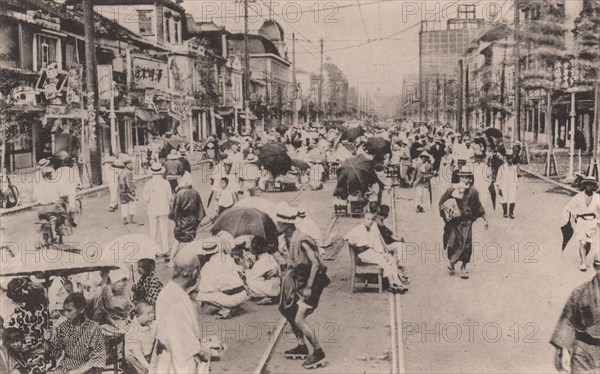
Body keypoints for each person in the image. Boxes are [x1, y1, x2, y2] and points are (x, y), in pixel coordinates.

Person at [275, 202, 329, 369]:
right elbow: (295, 262)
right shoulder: (287, 238)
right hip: (300, 281)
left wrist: (309, 287)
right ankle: (301, 345)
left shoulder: (302, 239)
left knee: (299, 319)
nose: (276, 225)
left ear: (286, 224)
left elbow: (315, 264)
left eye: (278, 223)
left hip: (312, 283)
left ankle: (318, 351)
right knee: (287, 310)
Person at [151, 249, 211, 373]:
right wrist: (204, 353)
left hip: (166, 359)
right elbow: (185, 342)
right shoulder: (178, 302)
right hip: (180, 364)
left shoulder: (167, 291)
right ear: (194, 273)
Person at [550, 254, 600, 373]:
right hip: (583, 351)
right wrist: (565, 350)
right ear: (596, 267)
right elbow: (567, 321)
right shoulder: (580, 292)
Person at [439, 166, 489, 279]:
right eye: (462, 177)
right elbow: (442, 202)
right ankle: (451, 263)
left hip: (467, 222)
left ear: (471, 179)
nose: (464, 179)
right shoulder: (452, 189)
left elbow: (478, 206)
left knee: (466, 245)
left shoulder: (473, 191)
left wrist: (486, 219)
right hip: (455, 222)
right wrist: (445, 213)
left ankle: (463, 267)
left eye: (467, 177)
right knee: (452, 243)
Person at [345, 212, 408, 292]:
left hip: (370, 252)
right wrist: (351, 241)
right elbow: (347, 236)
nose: (370, 221)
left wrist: (382, 252)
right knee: (383, 260)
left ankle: (397, 282)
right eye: (368, 219)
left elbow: (376, 244)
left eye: (372, 219)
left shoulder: (372, 229)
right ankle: (392, 283)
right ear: (364, 219)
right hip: (363, 253)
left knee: (390, 259)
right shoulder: (358, 229)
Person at [50, 293, 106, 374]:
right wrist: (48, 342)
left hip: (87, 368)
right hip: (67, 366)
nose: (65, 314)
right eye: (64, 310)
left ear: (81, 310)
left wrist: (77, 372)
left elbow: (98, 357)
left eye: (69, 310)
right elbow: (56, 352)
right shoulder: (62, 327)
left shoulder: (94, 327)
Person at [195, 238, 249, 319]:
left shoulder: (207, 266)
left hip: (231, 298)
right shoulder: (227, 258)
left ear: (205, 254)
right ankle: (236, 306)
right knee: (227, 286)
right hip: (243, 295)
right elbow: (240, 271)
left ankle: (225, 309)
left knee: (200, 295)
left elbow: (205, 289)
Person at [6, 278, 51, 374]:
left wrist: (47, 340)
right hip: (24, 352)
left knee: (45, 364)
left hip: (42, 349)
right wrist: (24, 349)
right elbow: (11, 337)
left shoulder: (42, 310)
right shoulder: (18, 313)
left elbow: (47, 329)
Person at [563, 176, 600, 271]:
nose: (589, 187)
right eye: (587, 184)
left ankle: (585, 257)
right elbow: (568, 208)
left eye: (591, 185)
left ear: (594, 186)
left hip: (592, 223)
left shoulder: (597, 197)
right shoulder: (578, 197)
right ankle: (583, 262)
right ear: (584, 185)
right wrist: (567, 219)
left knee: (588, 243)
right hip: (581, 222)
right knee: (582, 242)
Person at [169, 172, 205, 263]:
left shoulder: (179, 193)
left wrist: (178, 224)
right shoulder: (195, 192)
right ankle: (191, 260)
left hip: (181, 221)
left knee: (177, 242)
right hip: (192, 221)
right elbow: (201, 210)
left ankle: (171, 260)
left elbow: (175, 211)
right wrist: (197, 222)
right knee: (191, 242)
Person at [143, 162, 172, 256]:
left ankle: (154, 249)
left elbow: (146, 198)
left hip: (152, 208)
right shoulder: (166, 183)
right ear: (161, 172)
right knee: (164, 230)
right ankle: (165, 249)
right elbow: (170, 197)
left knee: (153, 230)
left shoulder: (148, 183)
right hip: (163, 208)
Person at [32, 167, 67, 243]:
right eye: (52, 174)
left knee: (43, 218)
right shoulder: (55, 183)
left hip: (40, 210)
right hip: (52, 207)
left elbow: (34, 198)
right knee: (62, 215)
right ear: (49, 175)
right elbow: (63, 194)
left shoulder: (38, 184)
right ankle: (60, 233)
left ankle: (46, 238)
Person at [244, 236, 280, 305]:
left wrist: (244, 265)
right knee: (256, 279)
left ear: (258, 248)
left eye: (252, 246)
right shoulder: (266, 256)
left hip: (272, 288)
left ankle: (267, 296)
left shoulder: (263, 259)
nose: (251, 249)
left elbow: (251, 276)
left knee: (249, 282)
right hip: (274, 284)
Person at [125, 301, 157, 374]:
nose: (152, 315)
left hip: (148, 355)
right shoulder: (132, 330)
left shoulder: (153, 324)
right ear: (138, 316)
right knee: (129, 356)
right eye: (148, 313)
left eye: (152, 312)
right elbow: (137, 354)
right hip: (137, 359)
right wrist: (149, 368)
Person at [496, 152, 518, 219]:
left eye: (511, 159)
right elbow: (498, 176)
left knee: (512, 198)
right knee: (503, 198)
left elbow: (515, 176)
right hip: (504, 185)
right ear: (506, 159)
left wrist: (516, 184)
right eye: (509, 159)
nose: (510, 160)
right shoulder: (502, 167)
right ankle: (505, 212)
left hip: (512, 185)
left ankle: (511, 213)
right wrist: (498, 186)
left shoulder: (514, 167)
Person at [118, 156, 137, 225]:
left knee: (124, 205)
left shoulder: (122, 172)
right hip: (128, 191)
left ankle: (124, 219)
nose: (131, 165)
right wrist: (132, 191)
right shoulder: (129, 172)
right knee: (132, 204)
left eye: (131, 164)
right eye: (129, 164)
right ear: (126, 165)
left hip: (122, 191)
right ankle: (131, 219)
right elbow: (129, 183)